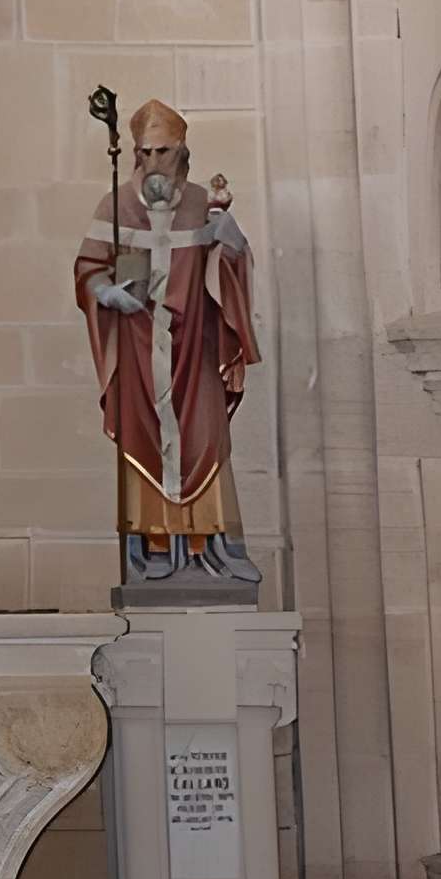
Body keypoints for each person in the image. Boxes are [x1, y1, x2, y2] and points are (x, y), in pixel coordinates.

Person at [71, 99, 260, 589]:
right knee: (144, 440)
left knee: (205, 438)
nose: (153, 163)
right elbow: (89, 268)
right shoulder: (115, 205)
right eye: (145, 152)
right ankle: (152, 546)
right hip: (138, 349)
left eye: (164, 152)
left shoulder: (201, 201)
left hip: (194, 346)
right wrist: (106, 291)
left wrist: (228, 238)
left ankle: (211, 545)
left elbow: (231, 267)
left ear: (183, 151)